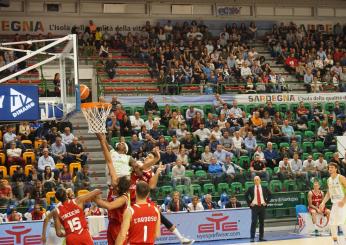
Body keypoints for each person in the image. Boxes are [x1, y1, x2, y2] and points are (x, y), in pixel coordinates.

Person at [319, 163, 346, 245]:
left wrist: (344, 201)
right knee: (332, 223)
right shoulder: (329, 180)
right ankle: (335, 241)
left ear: (336, 169)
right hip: (335, 204)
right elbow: (328, 193)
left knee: (343, 223)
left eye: (332, 167)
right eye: (329, 168)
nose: (330, 169)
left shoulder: (341, 177)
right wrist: (323, 202)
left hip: (343, 203)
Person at [245, 176, 272, 242]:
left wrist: (266, 202)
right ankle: (252, 237)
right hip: (255, 207)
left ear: (260, 180)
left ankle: (261, 237)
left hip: (262, 206)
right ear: (253, 181)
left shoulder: (264, 188)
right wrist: (250, 203)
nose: (256, 181)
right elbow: (246, 195)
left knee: (261, 223)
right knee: (254, 222)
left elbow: (270, 195)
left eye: (257, 179)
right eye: (255, 180)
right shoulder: (251, 188)